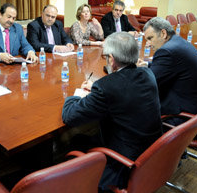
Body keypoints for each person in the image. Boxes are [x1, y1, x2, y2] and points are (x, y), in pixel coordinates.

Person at [62, 32, 162, 191]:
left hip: (125, 162)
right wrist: (98, 87)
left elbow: (69, 116)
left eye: (105, 57)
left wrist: (75, 95)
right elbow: (123, 84)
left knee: (74, 141)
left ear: (112, 59)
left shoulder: (107, 87)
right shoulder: (147, 73)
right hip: (153, 152)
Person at [137, 17, 197, 117]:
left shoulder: (166, 51)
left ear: (163, 33)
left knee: (137, 105)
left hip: (189, 115)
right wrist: (147, 65)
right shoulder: (178, 42)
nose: (148, 44)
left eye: (150, 38)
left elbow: (148, 83)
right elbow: (169, 68)